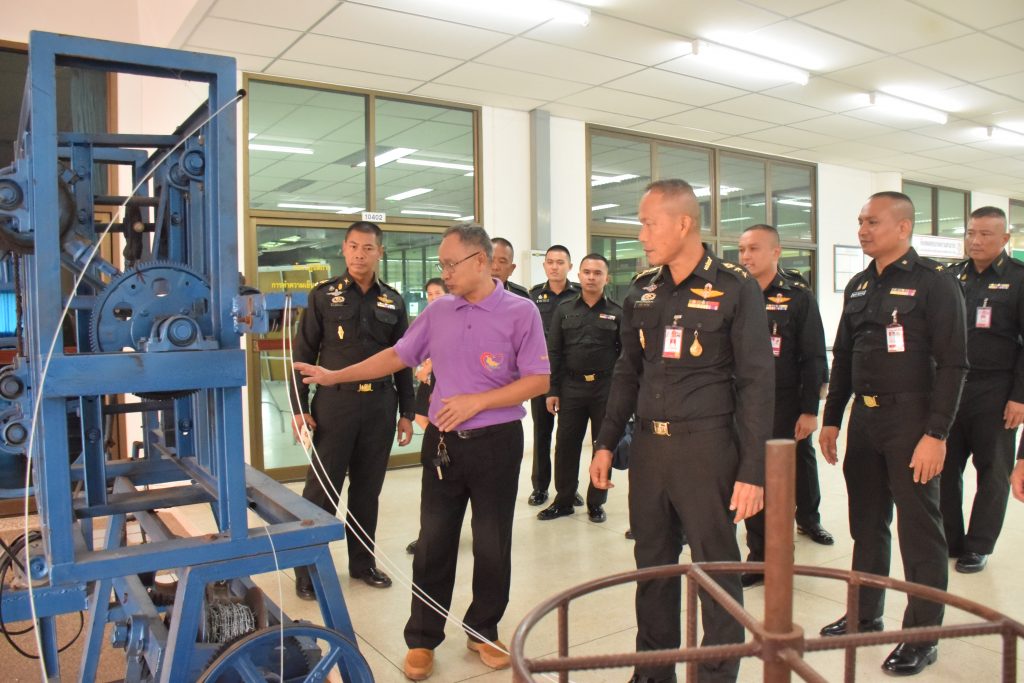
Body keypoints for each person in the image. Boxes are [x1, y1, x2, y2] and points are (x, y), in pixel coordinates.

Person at [295, 223, 549, 681]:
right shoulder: (439, 310)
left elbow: (538, 380)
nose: (444, 273)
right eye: (441, 265)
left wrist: (478, 402)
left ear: (480, 261)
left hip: (497, 443)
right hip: (443, 446)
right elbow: (397, 356)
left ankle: (483, 629)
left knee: (492, 542)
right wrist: (335, 376)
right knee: (434, 541)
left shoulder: (521, 311)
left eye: (451, 264)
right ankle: (423, 638)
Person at [591, 179, 774, 683]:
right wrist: (606, 442)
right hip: (649, 448)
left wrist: (753, 471)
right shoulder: (642, 289)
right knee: (653, 567)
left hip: (707, 449)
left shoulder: (735, 287)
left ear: (684, 223)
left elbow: (757, 383)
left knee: (716, 569)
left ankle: (716, 674)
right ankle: (653, 671)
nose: (642, 235)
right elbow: (627, 372)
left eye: (649, 224)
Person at [818, 191, 967, 676]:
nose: (862, 230)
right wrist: (832, 418)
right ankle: (865, 614)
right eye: (860, 221)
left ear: (903, 228)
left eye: (873, 222)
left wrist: (936, 434)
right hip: (865, 421)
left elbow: (954, 364)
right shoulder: (860, 284)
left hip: (912, 422)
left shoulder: (934, 283)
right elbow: (844, 355)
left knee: (919, 531)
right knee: (866, 524)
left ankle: (922, 636)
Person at [289, 221, 415, 597]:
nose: (360, 254)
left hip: (379, 405)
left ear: (380, 252)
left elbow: (403, 359)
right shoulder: (322, 296)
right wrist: (299, 408)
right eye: (354, 247)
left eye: (368, 248)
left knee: (367, 491)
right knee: (321, 491)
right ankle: (307, 572)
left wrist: (407, 411)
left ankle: (362, 564)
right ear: (344, 249)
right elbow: (302, 355)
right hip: (335, 405)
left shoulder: (393, 301)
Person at [736, 224, 832, 588]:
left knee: (781, 480)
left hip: (784, 403)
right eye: (742, 250)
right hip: (743, 403)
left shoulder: (797, 296)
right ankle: (759, 557)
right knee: (751, 475)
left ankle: (789, 543)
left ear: (776, 252)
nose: (745, 256)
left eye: (754, 249)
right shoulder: (735, 292)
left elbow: (814, 355)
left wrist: (809, 411)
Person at [940, 206, 1024, 574]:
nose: (975, 240)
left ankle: (978, 545)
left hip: (996, 389)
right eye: (971, 232)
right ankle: (951, 538)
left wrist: (1020, 396)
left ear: (1005, 238)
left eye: (986, 234)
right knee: (944, 468)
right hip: (951, 388)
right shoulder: (950, 276)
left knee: (992, 472)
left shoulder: (1018, 279)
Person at [537, 253, 622, 524]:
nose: (591, 277)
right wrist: (552, 390)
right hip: (571, 387)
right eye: (587, 272)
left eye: (598, 273)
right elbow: (554, 352)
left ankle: (596, 502)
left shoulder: (618, 312)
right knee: (566, 446)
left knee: (603, 446)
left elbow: (625, 356)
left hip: (605, 389)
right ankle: (563, 500)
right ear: (579, 274)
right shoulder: (564, 309)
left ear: (607, 278)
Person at [528, 245, 580, 506]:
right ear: (544, 265)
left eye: (560, 262)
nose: (554, 267)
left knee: (569, 437)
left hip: (571, 375)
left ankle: (568, 488)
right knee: (542, 433)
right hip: (541, 374)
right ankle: (540, 487)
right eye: (550, 262)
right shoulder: (534, 296)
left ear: (570, 266)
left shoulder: (580, 295)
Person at [407, 277, 448, 556]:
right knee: (423, 418)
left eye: (438, 292)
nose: (433, 297)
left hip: (444, 383)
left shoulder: (456, 315)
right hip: (428, 383)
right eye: (430, 293)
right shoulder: (426, 317)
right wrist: (420, 368)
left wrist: (430, 366)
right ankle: (431, 536)